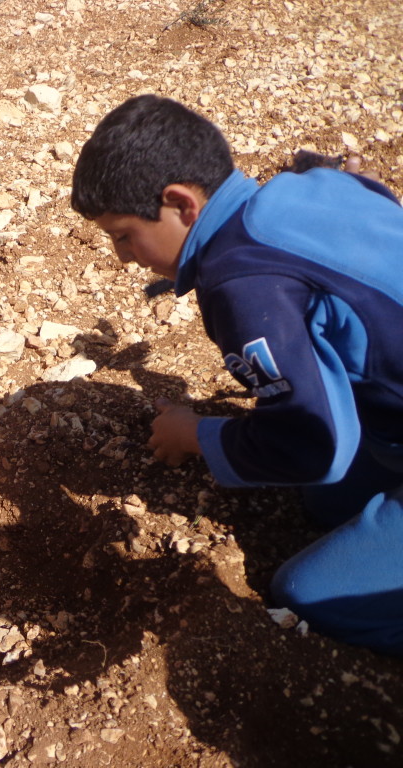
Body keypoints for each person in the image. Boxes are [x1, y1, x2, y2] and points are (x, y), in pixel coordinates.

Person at [70, 94, 403, 656]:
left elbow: (316, 445)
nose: (123, 257)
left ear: (180, 204)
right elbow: (376, 196)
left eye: (124, 234)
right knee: (321, 504)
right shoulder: (311, 186)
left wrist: (196, 435)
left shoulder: (241, 284)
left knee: (304, 593)